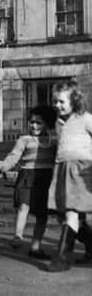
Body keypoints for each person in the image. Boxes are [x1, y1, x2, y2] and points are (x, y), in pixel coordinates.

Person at [0, 105, 57, 259]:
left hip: (46, 178)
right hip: (28, 175)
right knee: (23, 206)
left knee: (42, 215)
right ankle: (18, 236)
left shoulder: (54, 140)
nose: (34, 125)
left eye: (38, 122)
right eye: (32, 122)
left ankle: (35, 247)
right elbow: (14, 156)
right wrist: (4, 166)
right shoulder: (24, 140)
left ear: (47, 123)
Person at [45, 81, 92, 272]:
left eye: (62, 101)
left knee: (72, 213)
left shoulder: (86, 119)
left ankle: (62, 258)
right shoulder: (58, 122)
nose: (57, 105)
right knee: (67, 214)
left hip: (82, 172)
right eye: (55, 101)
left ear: (75, 100)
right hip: (63, 170)